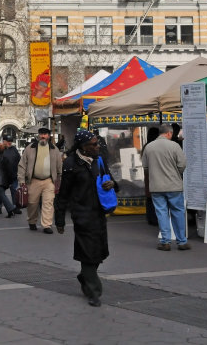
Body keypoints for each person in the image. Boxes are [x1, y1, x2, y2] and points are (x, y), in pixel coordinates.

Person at [54, 130, 118, 308]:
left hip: (99, 213)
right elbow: (63, 194)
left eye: (97, 143)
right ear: (83, 146)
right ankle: (94, 291)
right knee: (88, 253)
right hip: (82, 215)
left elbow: (112, 180)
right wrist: (59, 219)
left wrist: (113, 184)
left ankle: (85, 276)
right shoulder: (70, 164)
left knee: (99, 252)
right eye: (94, 144)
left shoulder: (99, 160)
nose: (98, 147)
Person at [141, 124, 189, 251]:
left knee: (161, 213)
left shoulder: (149, 147)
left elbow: (145, 167)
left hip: (156, 186)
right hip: (174, 186)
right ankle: (182, 242)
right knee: (178, 213)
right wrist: (176, 173)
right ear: (169, 133)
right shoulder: (175, 146)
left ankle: (165, 241)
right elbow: (182, 164)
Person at [17, 127, 63, 234]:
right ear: (38, 135)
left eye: (45, 134)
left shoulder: (54, 149)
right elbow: (22, 165)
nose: (43, 136)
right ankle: (32, 221)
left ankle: (47, 225)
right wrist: (22, 181)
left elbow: (59, 165)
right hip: (33, 180)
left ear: (49, 136)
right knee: (32, 203)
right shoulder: (30, 148)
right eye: (41, 134)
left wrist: (59, 179)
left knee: (48, 203)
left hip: (49, 181)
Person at [142, 127, 160, 227]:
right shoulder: (153, 146)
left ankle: (150, 217)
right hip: (154, 172)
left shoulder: (146, 146)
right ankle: (153, 218)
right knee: (154, 197)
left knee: (149, 196)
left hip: (147, 172)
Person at [1, 135, 22, 215]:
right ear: (4, 141)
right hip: (3, 175)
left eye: (10, 141)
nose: (9, 142)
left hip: (14, 174)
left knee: (14, 191)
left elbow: (19, 160)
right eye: (8, 141)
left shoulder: (14, 149)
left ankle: (15, 207)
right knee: (0, 192)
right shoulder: (1, 149)